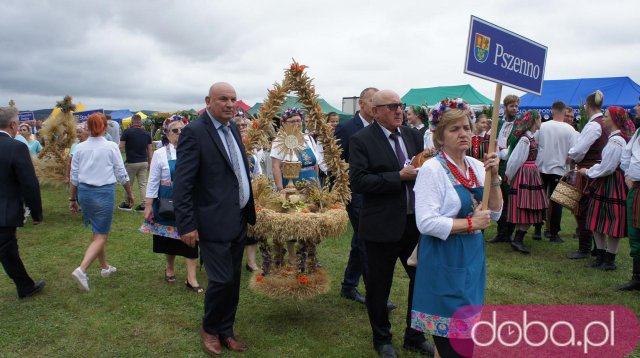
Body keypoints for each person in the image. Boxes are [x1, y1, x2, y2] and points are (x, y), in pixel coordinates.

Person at [412, 102, 502, 358]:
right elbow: (426, 222)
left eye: (466, 127)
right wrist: (471, 224)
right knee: (455, 345)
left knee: (463, 339)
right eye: (454, 129)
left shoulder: (475, 166)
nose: (463, 133)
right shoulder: (432, 169)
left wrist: (494, 176)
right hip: (444, 260)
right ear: (440, 136)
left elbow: (494, 212)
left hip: (471, 261)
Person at [173, 82, 256, 356]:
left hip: (238, 218)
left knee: (232, 280)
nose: (230, 104)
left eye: (233, 99)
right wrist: (186, 224)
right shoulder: (194, 132)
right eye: (224, 99)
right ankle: (209, 329)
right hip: (212, 220)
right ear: (208, 101)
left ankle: (226, 330)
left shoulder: (232, 128)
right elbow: (183, 184)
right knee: (220, 280)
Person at [350, 89, 433, 357]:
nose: (399, 110)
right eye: (392, 106)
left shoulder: (413, 135)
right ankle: (382, 339)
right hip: (381, 225)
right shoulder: (362, 139)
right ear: (376, 111)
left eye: (401, 105)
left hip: (414, 224)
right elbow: (359, 182)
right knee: (378, 286)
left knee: (421, 281)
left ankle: (415, 336)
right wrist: (398, 176)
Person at [69, 113, 134, 291]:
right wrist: (129, 192)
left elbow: (73, 177)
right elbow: (121, 172)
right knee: (102, 235)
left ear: (88, 128)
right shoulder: (111, 147)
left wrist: (72, 198)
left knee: (97, 231)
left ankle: (105, 267)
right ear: (105, 127)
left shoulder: (80, 148)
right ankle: (82, 270)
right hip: (103, 193)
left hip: (84, 193)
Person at [335, 87, 387, 306]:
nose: (376, 106)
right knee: (367, 238)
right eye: (372, 101)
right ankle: (375, 294)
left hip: (374, 190)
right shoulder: (346, 128)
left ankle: (349, 285)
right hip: (354, 192)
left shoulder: (380, 128)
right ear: (362, 104)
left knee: (360, 239)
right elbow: (335, 159)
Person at [140, 115, 203, 292]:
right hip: (167, 200)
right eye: (175, 130)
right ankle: (169, 267)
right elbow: (153, 181)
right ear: (167, 134)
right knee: (171, 237)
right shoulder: (160, 154)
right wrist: (148, 205)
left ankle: (191, 278)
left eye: (183, 130)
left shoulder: (193, 151)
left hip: (190, 200)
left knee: (192, 237)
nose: (180, 133)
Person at [578, 106, 635, 271]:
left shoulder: (616, 141)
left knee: (611, 220)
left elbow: (607, 167)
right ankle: (602, 256)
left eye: (606, 116)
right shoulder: (615, 138)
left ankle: (609, 259)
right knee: (598, 218)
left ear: (615, 120)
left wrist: (587, 171)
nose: (603, 118)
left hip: (611, 183)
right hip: (607, 182)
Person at [0, 106, 46, 299]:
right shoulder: (17, 147)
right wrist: (36, 213)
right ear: (13, 125)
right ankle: (25, 286)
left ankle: (25, 286)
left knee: (8, 250)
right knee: (7, 250)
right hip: (5, 210)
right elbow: (29, 183)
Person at [271, 107, 324, 265]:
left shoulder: (308, 139)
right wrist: (281, 189)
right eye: (292, 121)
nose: (296, 123)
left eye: (298, 120)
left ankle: (311, 253)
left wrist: (317, 185)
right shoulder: (280, 140)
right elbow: (275, 166)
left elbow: (315, 163)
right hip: (292, 183)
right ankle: (293, 256)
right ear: (284, 123)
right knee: (293, 221)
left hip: (311, 183)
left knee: (312, 220)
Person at [567, 90, 608, 259]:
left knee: (582, 208)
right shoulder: (604, 123)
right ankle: (595, 248)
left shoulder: (593, 125)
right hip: (599, 170)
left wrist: (570, 154)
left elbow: (578, 151)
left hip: (587, 171)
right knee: (592, 209)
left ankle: (585, 248)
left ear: (587, 106)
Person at [504, 110, 547, 254]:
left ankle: (518, 238)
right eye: (540, 118)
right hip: (525, 175)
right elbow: (515, 160)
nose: (541, 121)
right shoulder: (525, 139)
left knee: (531, 206)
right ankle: (517, 239)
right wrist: (509, 176)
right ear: (534, 120)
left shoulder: (530, 137)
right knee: (526, 206)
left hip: (530, 174)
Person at [535, 101, 578, 243]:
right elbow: (574, 152)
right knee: (557, 203)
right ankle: (554, 234)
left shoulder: (543, 127)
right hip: (560, 169)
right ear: (564, 111)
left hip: (542, 167)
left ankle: (537, 230)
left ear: (552, 110)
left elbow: (534, 143)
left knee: (539, 200)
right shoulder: (570, 130)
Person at [487, 95, 520, 244]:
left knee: (510, 198)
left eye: (516, 106)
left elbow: (517, 146)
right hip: (497, 164)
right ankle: (501, 232)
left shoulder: (519, 125)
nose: (514, 109)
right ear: (505, 107)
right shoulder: (499, 123)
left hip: (511, 163)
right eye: (512, 106)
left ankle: (509, 232)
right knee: (497, 196)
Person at [234, 115, 262, 273]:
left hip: (251, 191)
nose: (242, 128)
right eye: (239, 126)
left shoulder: (253, 148)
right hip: (233, 193)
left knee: (252, 227)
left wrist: (258, 187)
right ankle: (234, 260)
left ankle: (251, 262)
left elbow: (257, 171)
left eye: (244, 126)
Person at [619, 98, 640, 290]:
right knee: (635, 231)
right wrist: (628, 175)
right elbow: (627, 156)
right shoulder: (638, 132)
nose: (635, 108)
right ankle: (637, 277)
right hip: (635, 188)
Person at [119, 114, 152, 212]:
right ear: (140, 122)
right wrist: (150, 163)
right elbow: (150, 150)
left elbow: (120, 147)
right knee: (143, 184)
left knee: (129, 183)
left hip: (131, 162)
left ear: (132, 122)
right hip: (144, 162)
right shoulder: (146, 133)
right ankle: (143, 205)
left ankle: (127, 204)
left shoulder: (127, 132)